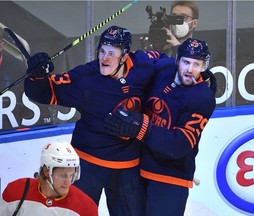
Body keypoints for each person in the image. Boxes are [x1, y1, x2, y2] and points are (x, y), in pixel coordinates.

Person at [23, 25, 168, 216]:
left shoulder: (143, 64)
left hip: (127, 167)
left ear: (125, 56)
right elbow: (43, 91)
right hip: (87, 164)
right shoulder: (85, 77)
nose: (104, 58)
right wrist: (37, 75)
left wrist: (201, 78)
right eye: (102, 51)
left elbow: (167, 64)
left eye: (111, 53)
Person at [104, 38, 216, 216]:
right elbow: (139, 58)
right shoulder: (163, 66)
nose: (189, 69)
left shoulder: (203, 97)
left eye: (196, 64)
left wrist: (142, 128)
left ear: (204, 67)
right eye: (186, 62)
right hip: (137, 168)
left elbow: (179, 145)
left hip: (170, 177)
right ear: (178, 60)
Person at [0, 141, 98, 216]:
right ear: (47, 171)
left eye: (71, 175)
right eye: (63, 175)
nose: (68, 182)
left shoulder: (86, 207)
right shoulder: (16, 191)